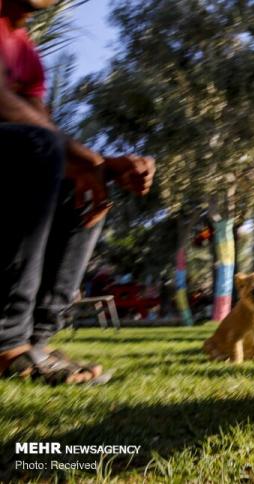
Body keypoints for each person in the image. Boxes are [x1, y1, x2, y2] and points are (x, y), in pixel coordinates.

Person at [0, 0, 155, 384]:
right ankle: (6, 340)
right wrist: (92, 158)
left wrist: (96, 167)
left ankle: (37, 340)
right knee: (40, 147)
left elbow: (43, 126)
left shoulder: (25, 52)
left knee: (85, 188)